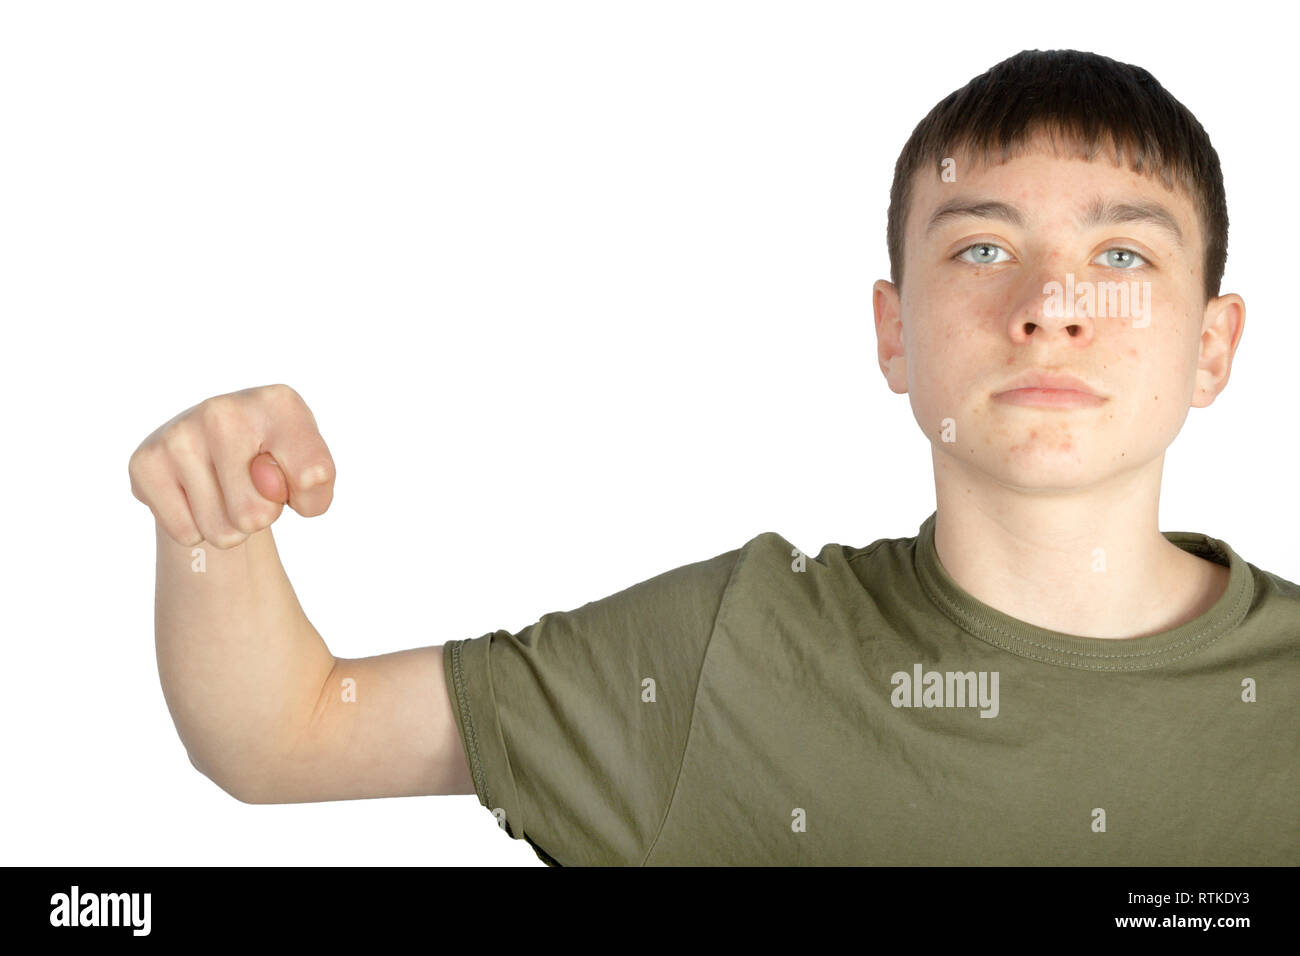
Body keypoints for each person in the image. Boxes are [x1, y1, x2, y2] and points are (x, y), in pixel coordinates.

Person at [128, 49, 1298, 866]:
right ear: (892, 333)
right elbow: (282, 733)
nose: (1051, 303)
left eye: (1123, 257)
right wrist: (214, 527)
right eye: (984, 246)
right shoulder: (728, 655)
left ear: (1212, 344)